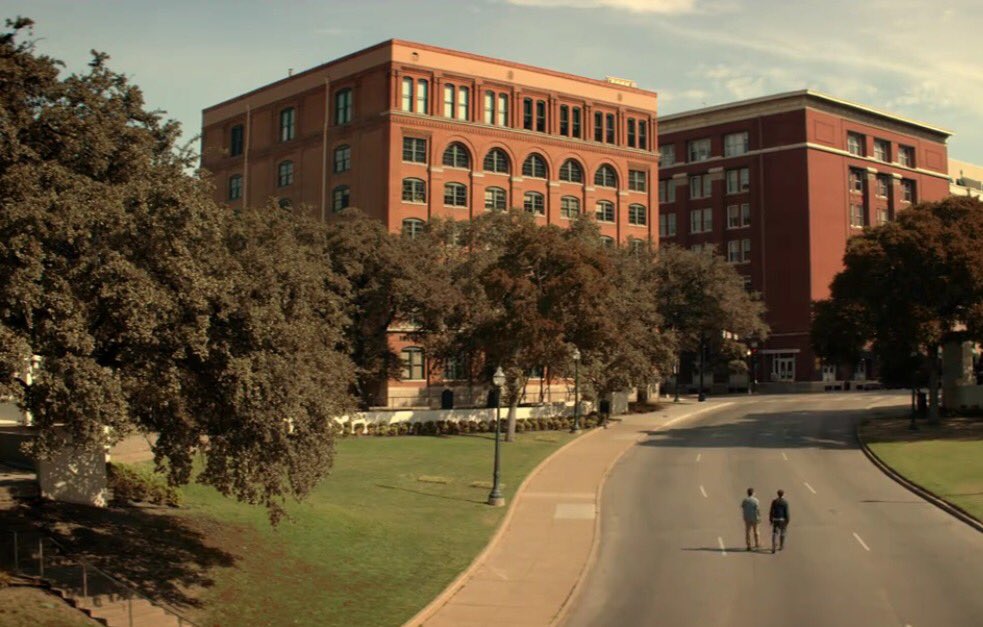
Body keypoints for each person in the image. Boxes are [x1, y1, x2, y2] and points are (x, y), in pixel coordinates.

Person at [769, 489, 790, 553]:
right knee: (782, 532)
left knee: (774, 532)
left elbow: (771, 511)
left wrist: (771, 519)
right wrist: (787, 520)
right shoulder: (785, 502)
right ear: (783, 494)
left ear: (777, 494)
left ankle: (773, 546)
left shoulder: (774, 501)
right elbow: (786, 513)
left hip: (775, 519)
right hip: (782, 520)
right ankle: (781, 546)